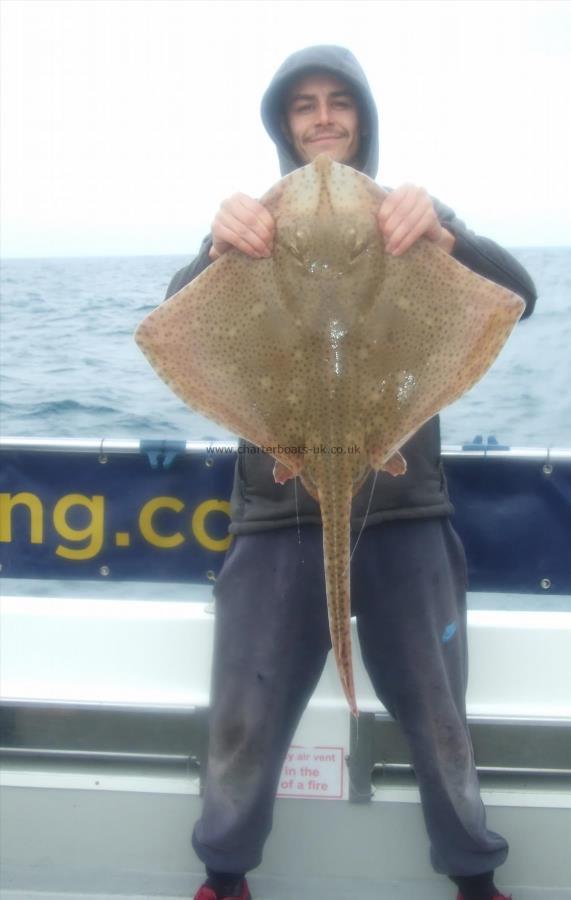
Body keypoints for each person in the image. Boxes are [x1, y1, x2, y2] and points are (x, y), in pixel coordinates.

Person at [165, 46, 537, 900]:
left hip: (404, 509)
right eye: (304, 106)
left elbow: (516, 297)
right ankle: (224, 876)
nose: (323, 116)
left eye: (339, 102)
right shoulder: (248, 225)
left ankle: (473, 878)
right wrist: (214, 247)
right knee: (241, 721)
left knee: (441, 719)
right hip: (275, 514)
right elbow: (172, 325)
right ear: (284, 126)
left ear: (362, 120)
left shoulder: (407, 219)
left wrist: (445, 229)